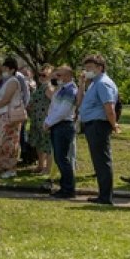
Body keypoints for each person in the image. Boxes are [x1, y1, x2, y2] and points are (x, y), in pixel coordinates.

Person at [78, 53, 120, 205]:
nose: (86, 71)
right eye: (86, 67)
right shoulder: (93, 83)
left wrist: (114, 124)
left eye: (90, 68)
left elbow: (109, 107)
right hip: (92, 124)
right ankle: (103, 193)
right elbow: (80, 102)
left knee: (102, 160)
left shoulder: (103, 83)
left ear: (100, 68)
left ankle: (106, 196)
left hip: (99, 125)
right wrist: (82, 83)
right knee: (98, 160)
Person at [44, 65, 79, 198]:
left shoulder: (70, 90)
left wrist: (48, 122)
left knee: (62, 159)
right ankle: (65, 187)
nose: (56, 77)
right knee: (59, 158)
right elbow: (54, 108)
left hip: (63, 125)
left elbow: (63, 111)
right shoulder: (62, 89)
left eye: (59, 75)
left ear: (68, 76)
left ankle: (69, 189)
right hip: (57, 125)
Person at [0, 57, 26, 179]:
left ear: (11, 69)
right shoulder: (6, 81)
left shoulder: (14, 81)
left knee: (9, 142)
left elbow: (6, 99)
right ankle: (4, 166)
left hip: (10, 116)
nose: (3, 70)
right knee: (2, 142)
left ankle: (11, 168)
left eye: (5, 68)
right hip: (3, 115)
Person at [28, 65, 55, 176]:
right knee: (39, 143)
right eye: (40, 74)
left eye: (44, 75)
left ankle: (47, 169)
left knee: (47, 144)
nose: (41, 77)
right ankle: (40, 165)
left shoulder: (48, 87)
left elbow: (54, 101)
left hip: (44, 121)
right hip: (36, 120)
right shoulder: (40, 87)